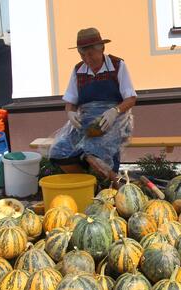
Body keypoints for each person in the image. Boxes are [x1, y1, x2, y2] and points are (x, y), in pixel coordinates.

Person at [49, 27, 137, 186]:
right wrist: (71, 113)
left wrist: (114, 111)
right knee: (59, 151)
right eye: (82, 55)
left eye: (90, 54)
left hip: (116, 121)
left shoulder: (117, 65)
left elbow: (131, 98)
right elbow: (70, 102)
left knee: (92, 152)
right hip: (87, 122)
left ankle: (117, 184)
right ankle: (89, 183)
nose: (87, 59)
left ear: (102, 49)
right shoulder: (78, 70)